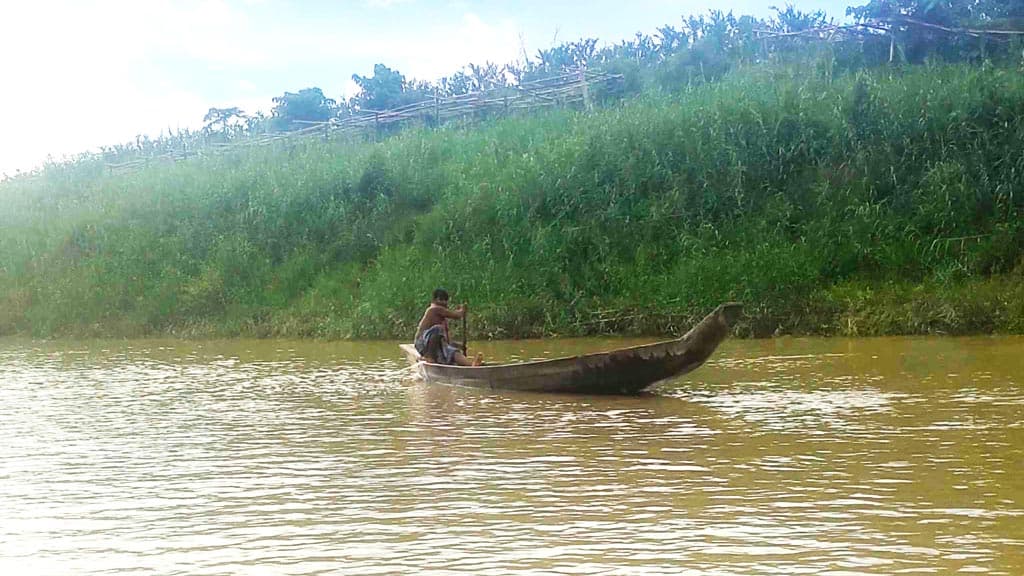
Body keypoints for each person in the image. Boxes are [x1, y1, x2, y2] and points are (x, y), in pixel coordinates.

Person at [414, 288, 483, 366]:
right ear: (437, 300)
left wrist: (459, 346)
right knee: (438, 329)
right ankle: (430, 357)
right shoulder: (434, 309)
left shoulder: (442, 318)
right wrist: (462, 310)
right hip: (422, 344)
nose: (446, 303)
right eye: (443, 300)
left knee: (452, 351)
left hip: (435, 346)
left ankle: (471, 365)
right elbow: (457, 315)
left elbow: (447, 341)